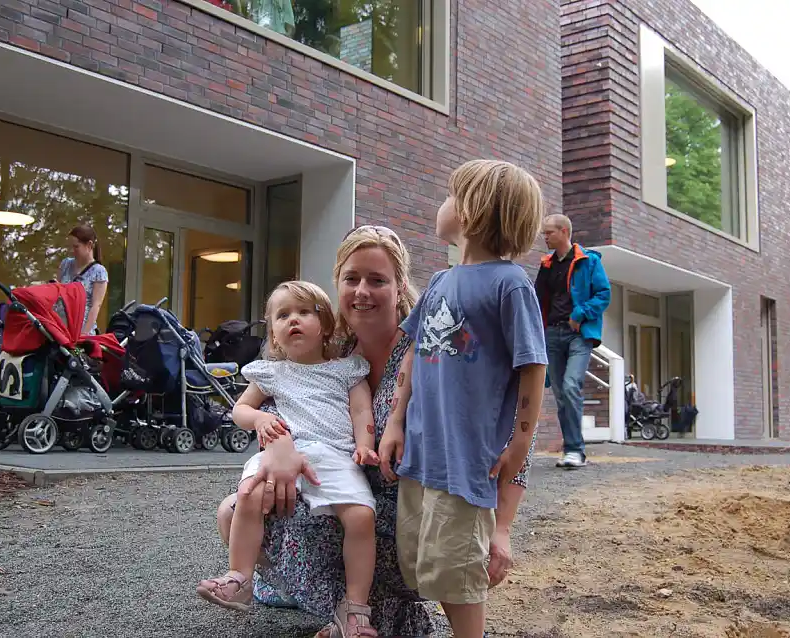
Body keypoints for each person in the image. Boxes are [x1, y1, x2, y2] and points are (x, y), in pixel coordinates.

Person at [202, 225, 538, 638]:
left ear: (399, 286)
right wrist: (279, 448)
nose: (362, 290)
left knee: (343, 521)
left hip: (411, 504)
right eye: (351, 279)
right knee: (235, 509)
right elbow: (280, 401)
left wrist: (501, 529)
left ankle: (367, 610)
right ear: (337, 286)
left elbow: (507, 431)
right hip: (341, 485)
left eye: (377, 280)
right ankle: (358, 612)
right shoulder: (331, 349)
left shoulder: (429, 347)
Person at [377, 159, 548, 638]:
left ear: (472, 211)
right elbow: (412, 354)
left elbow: (533, 368)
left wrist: (519, 443)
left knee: (459, 574)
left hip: (467, 459)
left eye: (450, 195)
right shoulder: (438, 282)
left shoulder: (510, 284)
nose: (441, 205)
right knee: (430, 565)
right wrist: (394, 423)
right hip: (423, 452)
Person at [197, 281, 380, 636]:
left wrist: (365, 443)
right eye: (283, 316)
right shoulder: (271, 372)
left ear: (325, 324)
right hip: (284, 447)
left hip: (334, 454)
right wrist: (262, 418)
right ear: (275, 335)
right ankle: (240, 577)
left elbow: (361, 410)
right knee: (250, 494)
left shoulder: (346, 369)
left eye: (304, 312)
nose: (293, 320)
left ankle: (355, 608)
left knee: (361, 516)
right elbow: (240, 410)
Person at [535, 213, 611, 469]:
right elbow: (537, 301)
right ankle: (571, 448)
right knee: (560, 395)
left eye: (549, 232)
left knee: (570, 386)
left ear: (564, 232)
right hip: (552, 335)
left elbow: (603, 294)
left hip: (578, 335)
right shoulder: (546, 265)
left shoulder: (588, 262)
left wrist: (580, 313)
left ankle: (576, 450)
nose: (544, 236)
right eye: (544, 233)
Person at [57, 224, 108, 335]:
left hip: (80, 331)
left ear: (89, 245)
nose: (72, 250)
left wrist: (84, 334)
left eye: (76, 247)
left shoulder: (98, 272)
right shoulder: (65, 264)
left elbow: (96, 306)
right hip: (59, 329)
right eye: (70, 246)